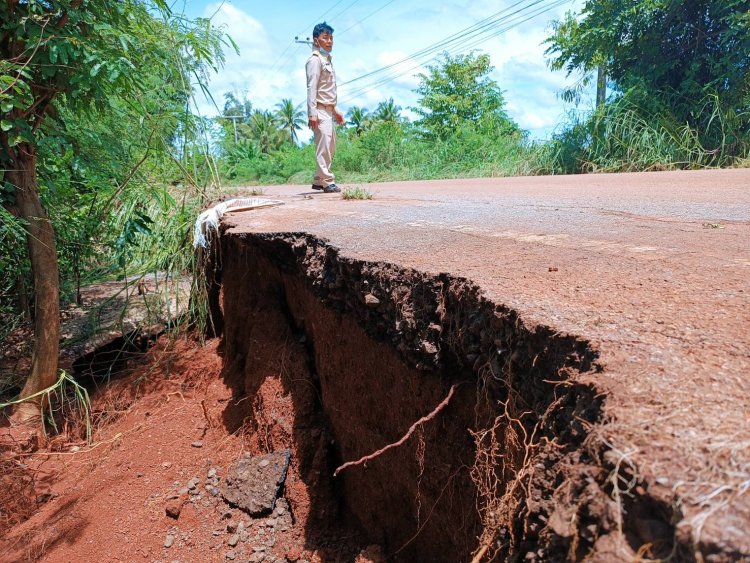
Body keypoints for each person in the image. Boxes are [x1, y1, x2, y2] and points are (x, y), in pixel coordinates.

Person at [306, 22, 345, 193]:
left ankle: (318, 180)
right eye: (325, 38)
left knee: (330, 145)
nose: (329, 41)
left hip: (328, 109)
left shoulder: (327, 60)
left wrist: (336, 110)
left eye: (331, 38)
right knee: (324, 147)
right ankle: (327, 181)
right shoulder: (315, 60)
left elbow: (326, 89)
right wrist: (312, 113)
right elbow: (312, 87)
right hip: (319, 110)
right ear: (316, 40)